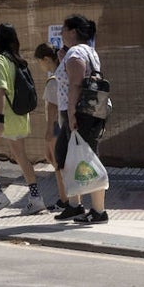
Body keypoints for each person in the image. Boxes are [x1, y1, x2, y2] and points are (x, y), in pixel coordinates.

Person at [0, 23, 45, 216]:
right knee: (21, 156)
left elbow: (1, 90)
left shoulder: (0, 60)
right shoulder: (19, 61)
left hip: (3, 116)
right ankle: (35, 197)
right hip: (20, 116)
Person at [53, 14, 109, 223]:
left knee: (87, 159)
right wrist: (62, 60)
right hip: (87, 112)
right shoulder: (88, 52)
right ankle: (75, 205)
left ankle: (99, 210)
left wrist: (71, 114)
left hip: (78, 113)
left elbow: (76, 84)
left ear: (73, 32)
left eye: (63, 30)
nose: (61, 34)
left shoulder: (76, 52)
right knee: (66, 157)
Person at [34, 42, 66, 209]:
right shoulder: (61, 76)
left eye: (39, 61)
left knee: (59, 166)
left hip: (56, 128)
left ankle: (65, 200)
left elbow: (52, 107)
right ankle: (65, 199)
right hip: (60, 126)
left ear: (46, 59)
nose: (40, 66)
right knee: (55, 162)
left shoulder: (53, 80)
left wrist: (48, 130)